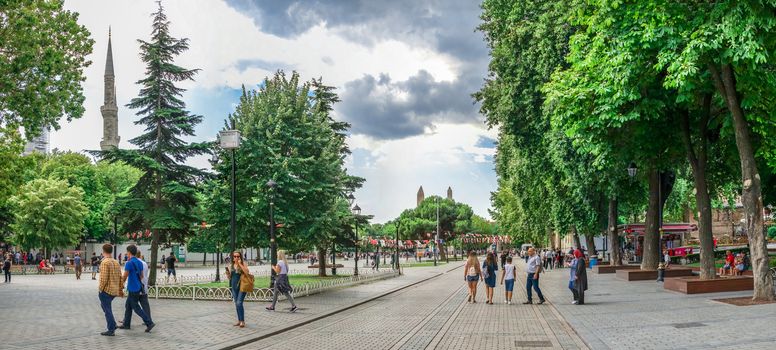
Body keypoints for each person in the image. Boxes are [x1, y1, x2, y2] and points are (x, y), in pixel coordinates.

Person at [118, 245, 154, 332]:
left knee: (136, 307)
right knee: (128, 305)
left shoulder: (129, 263)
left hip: (132, 288)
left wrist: (120, 285)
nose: (126, 253)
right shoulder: (140, 262)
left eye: (127, 252)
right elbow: (141, 276)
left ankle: (149, 322)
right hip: (138, 287)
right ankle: (126, 324)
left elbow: (125, 276)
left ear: (129, 252)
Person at [98, 244, 121, 336]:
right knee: (105, 307)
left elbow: (103, 278)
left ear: (103, 251)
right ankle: (113, 324)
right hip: (114, 290)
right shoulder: (116, 262)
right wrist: (120, 288)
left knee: (107, 309)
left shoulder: (104, 262)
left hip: (106, 290)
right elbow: (120, 276)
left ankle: (111, 329)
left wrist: (100, 289)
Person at [225, 251, 249, 327]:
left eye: (238, 256)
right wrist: (228, 274)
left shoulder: (243, 264)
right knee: (236, 304)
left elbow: (247, 272)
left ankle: (242, 321)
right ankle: (239, 320)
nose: (236, 258)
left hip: (242, 286)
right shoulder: (231, 266)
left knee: (239, 303)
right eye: (235, 256)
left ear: (240, 257)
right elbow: (230, 278)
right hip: (234, 287)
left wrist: (239, 264)